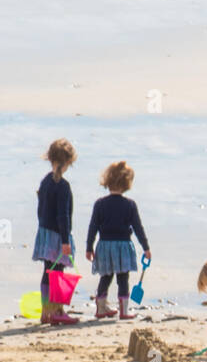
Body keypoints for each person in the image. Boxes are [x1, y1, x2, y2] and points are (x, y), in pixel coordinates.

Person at [85, 161, 151, 321]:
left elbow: (92, 227)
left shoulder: (100, 204)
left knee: (105, 277)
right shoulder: (129, 205)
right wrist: (146, 247)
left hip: (105, 246)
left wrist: (89, 247)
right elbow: (138, 228)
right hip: (122, 246)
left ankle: (101, 308)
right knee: (123, 278)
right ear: (127, 183)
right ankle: (124, 310)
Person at [33, 139, 77, 325]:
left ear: (50, 159)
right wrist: (65, 241)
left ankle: (46, 312)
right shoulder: (63, 186)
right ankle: (57, 310)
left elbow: (40, 209)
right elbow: (63, 216)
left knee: (47, 271)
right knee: (57, 272)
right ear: (68, 162)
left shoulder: (45, 181)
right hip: (58, 236)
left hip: (44, 233)